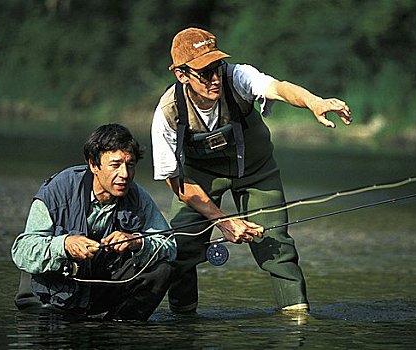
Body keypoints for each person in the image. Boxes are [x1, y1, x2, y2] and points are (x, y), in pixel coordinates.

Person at [151, 27, 352, 315]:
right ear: (182, 75)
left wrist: (313, 102)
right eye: (205, 72)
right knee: (181, 249)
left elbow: (279, 88)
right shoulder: (168, 112)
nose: (216, 77)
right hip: (197, 181)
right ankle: (183, 324)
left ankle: (297, 321)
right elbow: (175, 179)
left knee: (276, 245)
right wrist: (223, 221)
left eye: (217, 66)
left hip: (256, 170)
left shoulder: (238, 77)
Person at [12, 123, 176, 321]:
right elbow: (22, 251)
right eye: (115, 165)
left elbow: (170, 246)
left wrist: (138, 242)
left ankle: (120, 329)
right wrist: (63, 245)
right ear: (93, 165)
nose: (125, 174)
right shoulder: (57, 191)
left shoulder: (137, 197)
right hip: (46, 298)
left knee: (161, 269)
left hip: (96, 293)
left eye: (130, 164)